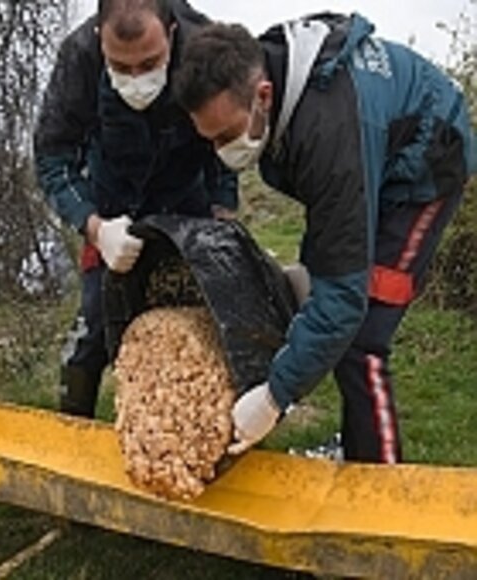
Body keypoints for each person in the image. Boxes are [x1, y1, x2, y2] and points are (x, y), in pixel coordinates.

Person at [172, 14, 475, 463]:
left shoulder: (329, 132)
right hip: (372, 150)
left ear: (263, 96)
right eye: (210, 140)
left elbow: (344, 302)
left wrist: (274, 397)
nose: (222, 151)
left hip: (427, 165)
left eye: (227, 135)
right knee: (330, 294)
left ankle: (380, 484)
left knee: (362, 336)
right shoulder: (266, 73)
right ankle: (357, 448)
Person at [33, 0, 237, 418]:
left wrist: (223, 217)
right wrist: (94, 226)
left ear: (172, 33)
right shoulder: (78, 59)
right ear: (98, 39)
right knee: (94, 323)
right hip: (111, 203)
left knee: (203, 323)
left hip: (186, 199)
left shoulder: (206, 48)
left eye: (149, 63)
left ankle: (199, 427)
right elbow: (52, 157)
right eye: (120, 67)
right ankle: (72, 435)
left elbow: (224, 142)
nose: (136, 79)